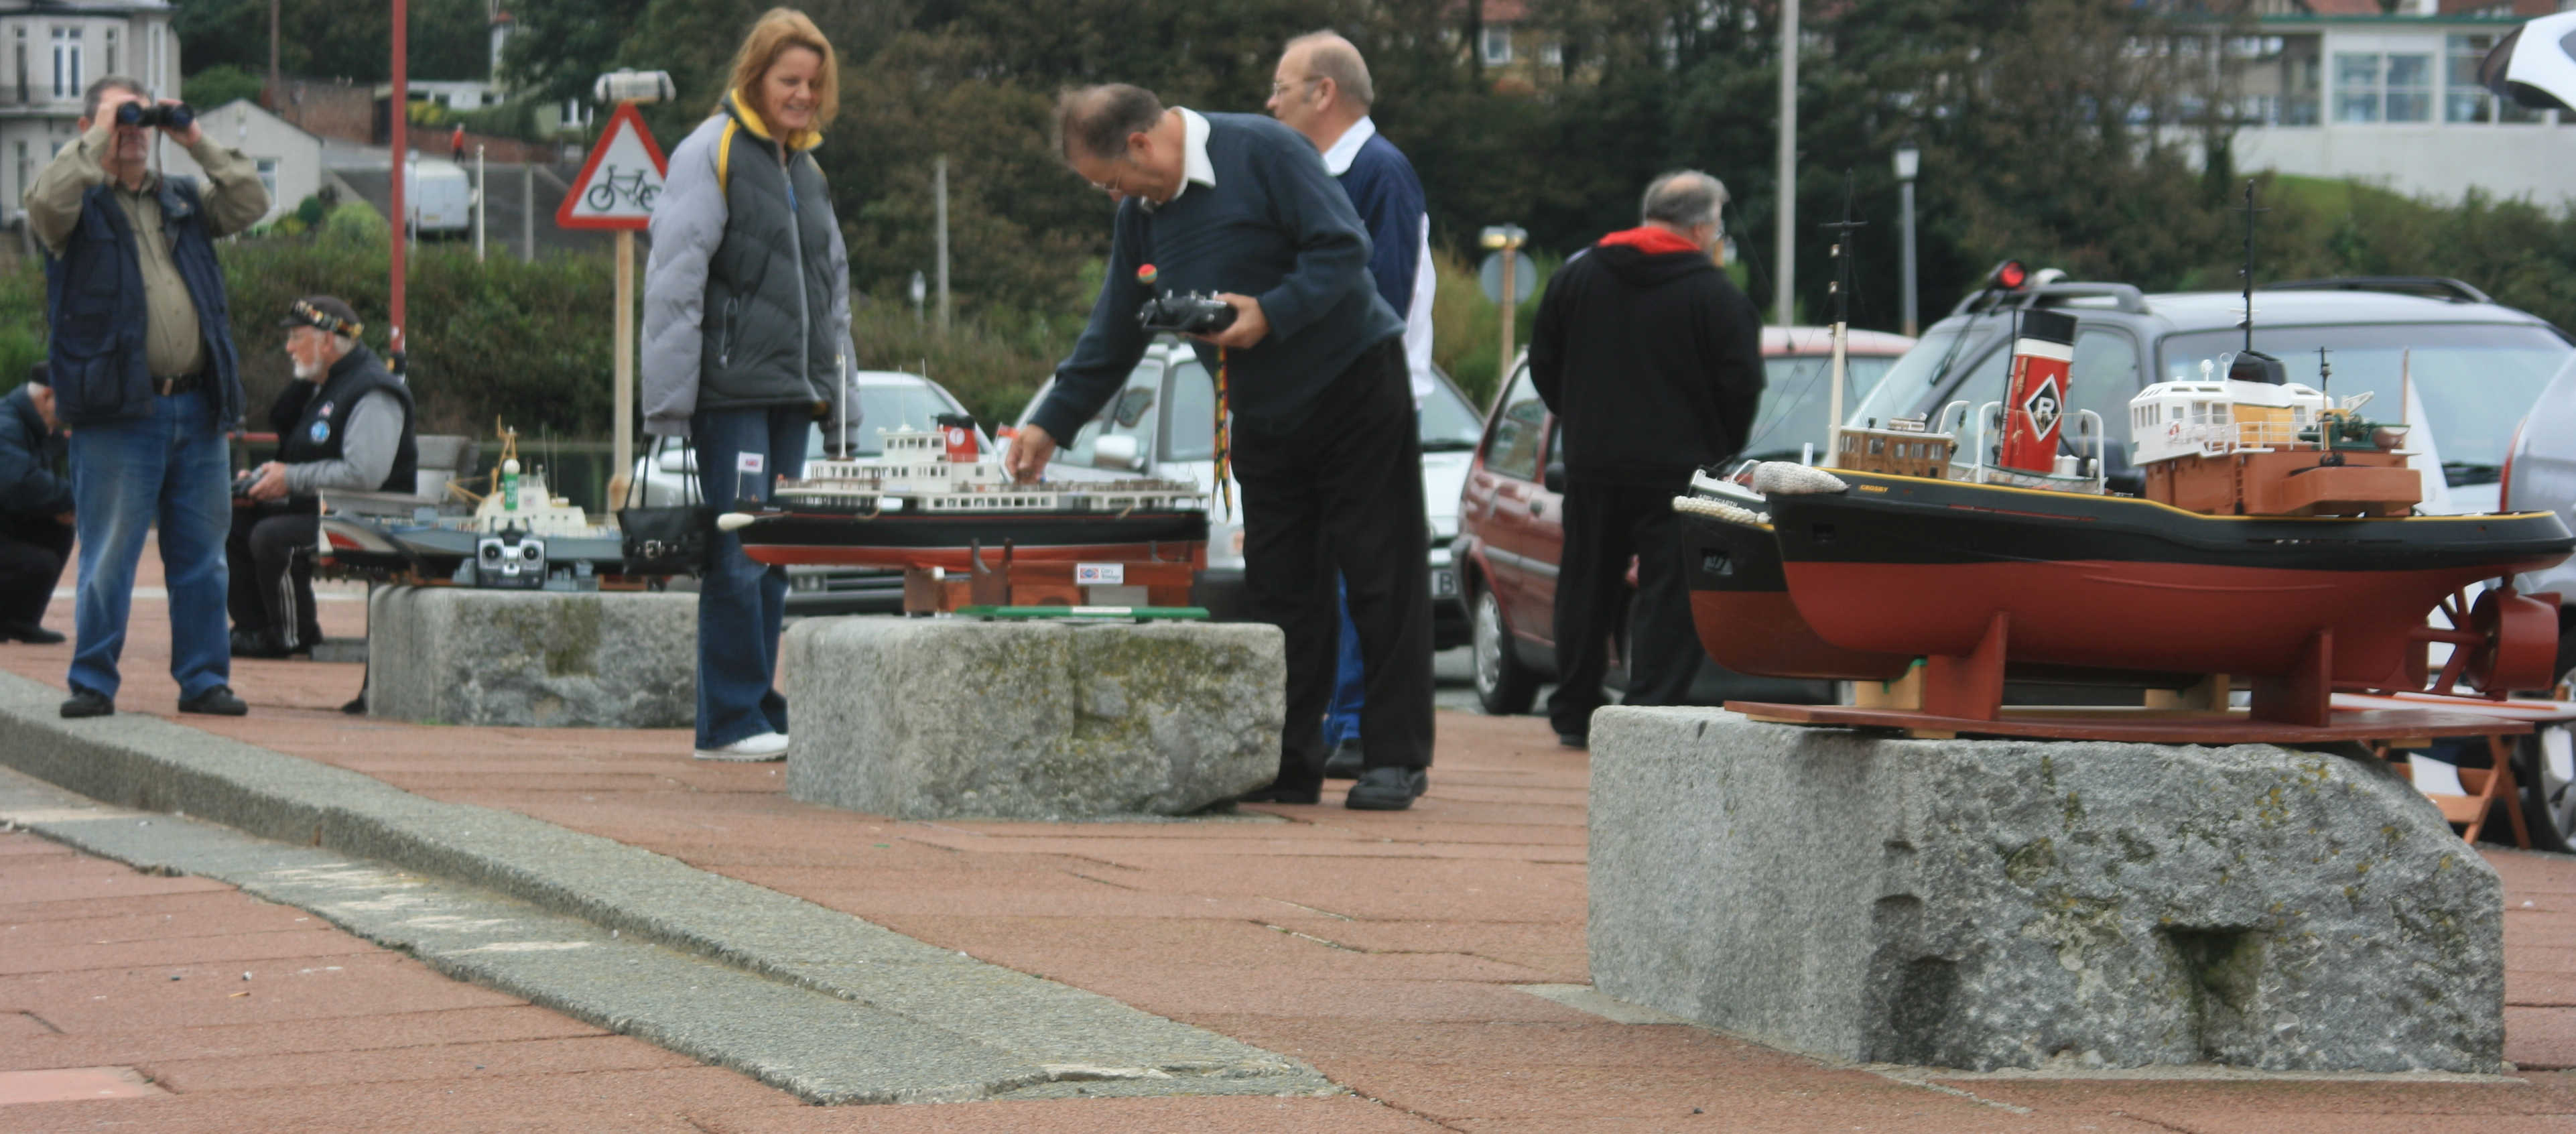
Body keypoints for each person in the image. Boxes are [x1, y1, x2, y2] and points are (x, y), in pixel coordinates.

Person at [1007, 84, 1434, 811]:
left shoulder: (1262, 149)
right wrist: (1049, 423)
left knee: (1379, 570)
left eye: (1110, 179)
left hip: (1354, 383)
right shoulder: (1141, 215)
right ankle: (1288, 761)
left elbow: (1343, 247)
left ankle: (1395, 758)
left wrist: (1268, 313)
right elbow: (1114, 328)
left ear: (1141, 143)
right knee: (1281, 591)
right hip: (1263, 411)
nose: (1112, 196)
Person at [642, 7, 858, 762]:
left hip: (791, 392)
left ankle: (758, 704)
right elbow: (675, 276)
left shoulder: (807, 167)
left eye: (812, 83)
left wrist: (843, 406)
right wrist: (668, 401)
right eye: (788, 80)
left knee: (774, 553)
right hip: (732, 391)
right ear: (755, 77)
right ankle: (727, 720)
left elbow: (834, 294)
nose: (802, 94)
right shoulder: (714, 149)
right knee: (737, 554)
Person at [27, 76, 270, 719]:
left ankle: (203, 679)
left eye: (141, 119)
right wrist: (106, 125)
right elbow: (44, 200)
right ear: (89, 130)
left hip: (198, 405)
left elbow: (250, 200)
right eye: (120, 119)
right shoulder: (73, 209)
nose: (134, 129)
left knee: (202, 558)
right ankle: (93, 681)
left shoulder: (183, 200)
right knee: (108, 556)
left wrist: (189, 133)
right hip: (116, 412)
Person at [1529, 171, 1763, 749]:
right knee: (1668, 591)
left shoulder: (1577, 276)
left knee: (1585, 582)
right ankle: (1649, 706)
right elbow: (1741, 385)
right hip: (1679, 469)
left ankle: (1574, 707)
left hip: (1592, 461)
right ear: (1704, 227)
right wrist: (1719, 447)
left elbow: (1543, 364)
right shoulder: (1716, 296)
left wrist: (1578, 418)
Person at [1267, 29, 1437, 781]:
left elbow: (1384, 292)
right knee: (1322, 578)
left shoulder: (1378, 172)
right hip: (1316, 406)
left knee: (1371, 576)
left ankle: (1370, 731)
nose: (1267, 103)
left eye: (1279, 87)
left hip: (1368, 403)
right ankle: (1341, 726)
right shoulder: (1316, 172)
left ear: (1322, 92)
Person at [226, 297, 417, 659]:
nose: (289, 347)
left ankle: (294, 635)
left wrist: (291, 478)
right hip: (326, 507)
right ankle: (254, 630)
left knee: (273, 537)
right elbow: (305, 455)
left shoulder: (373, 390)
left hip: (370, 518)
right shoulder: (322, 384)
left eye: (297, 337)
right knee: (235, 515)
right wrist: (265, 478)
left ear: (327, 342)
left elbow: (365, 473)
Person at [0, 369, 73, 645]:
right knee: (38, 563)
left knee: (58, 529)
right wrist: (77, 498)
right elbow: (20, 483)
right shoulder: (6, 425)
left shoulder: (31, 425)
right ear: (47, 395)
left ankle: (19, 621)